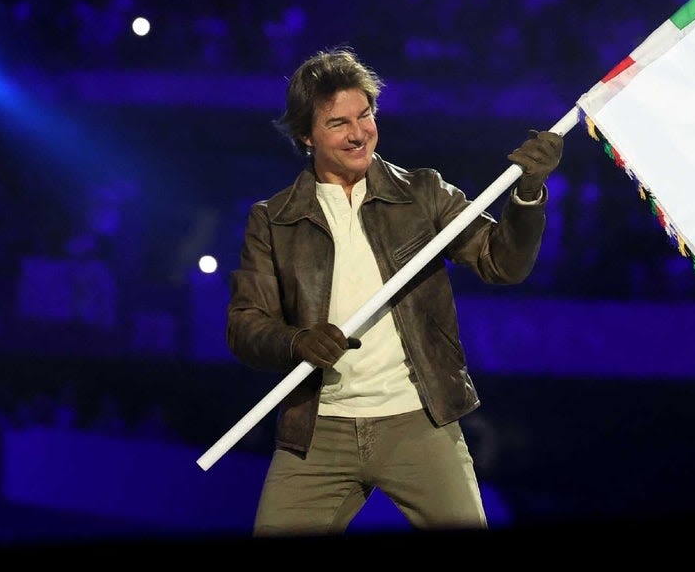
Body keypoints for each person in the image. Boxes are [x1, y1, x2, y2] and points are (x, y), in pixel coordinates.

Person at [225, 46, 563, 536]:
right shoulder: (273, 219)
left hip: (418, 421)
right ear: (306, 135)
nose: (359, 133)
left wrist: (528, 194)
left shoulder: (423, 194)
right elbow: (245, 326)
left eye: (365, 115)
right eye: (339, 123)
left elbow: (501, 263)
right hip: (318, 430)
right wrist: (297, 343)